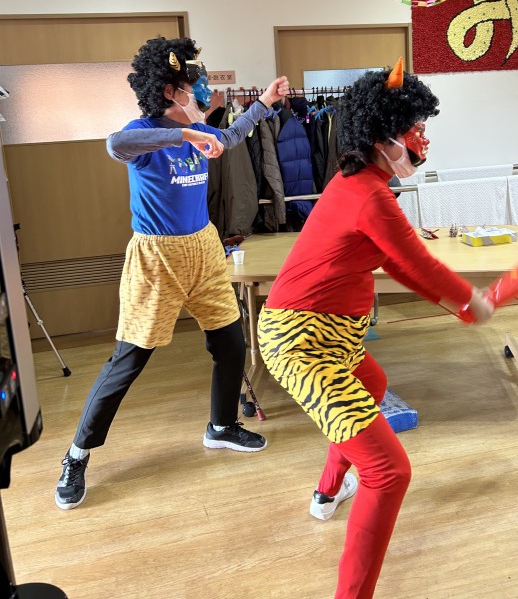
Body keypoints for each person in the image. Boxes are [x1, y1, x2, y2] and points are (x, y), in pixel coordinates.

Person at [257, 64, 494, 599]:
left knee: (374, 384)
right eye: (415, 129)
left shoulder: (361, 183)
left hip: (330, 338)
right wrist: (468, 300)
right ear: (383, 136)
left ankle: (327, 491)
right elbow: (418, 263)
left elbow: (401, 264)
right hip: (302, 344)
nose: (423, 139)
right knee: (389, 472)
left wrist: (458, 306)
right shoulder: (368, 195)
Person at [55, 36, 289, 510]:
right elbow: (114, 144)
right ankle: (76, 455)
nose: (203, 90)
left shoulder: (199, 129)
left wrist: (263, 103)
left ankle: (221, 425)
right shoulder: (144, 134)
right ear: (169, 91)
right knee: (128, 361)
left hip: (203, 248)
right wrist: (185, 136)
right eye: (193, 83)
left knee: (230, 343)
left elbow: (232, 135)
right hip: (156, 259)